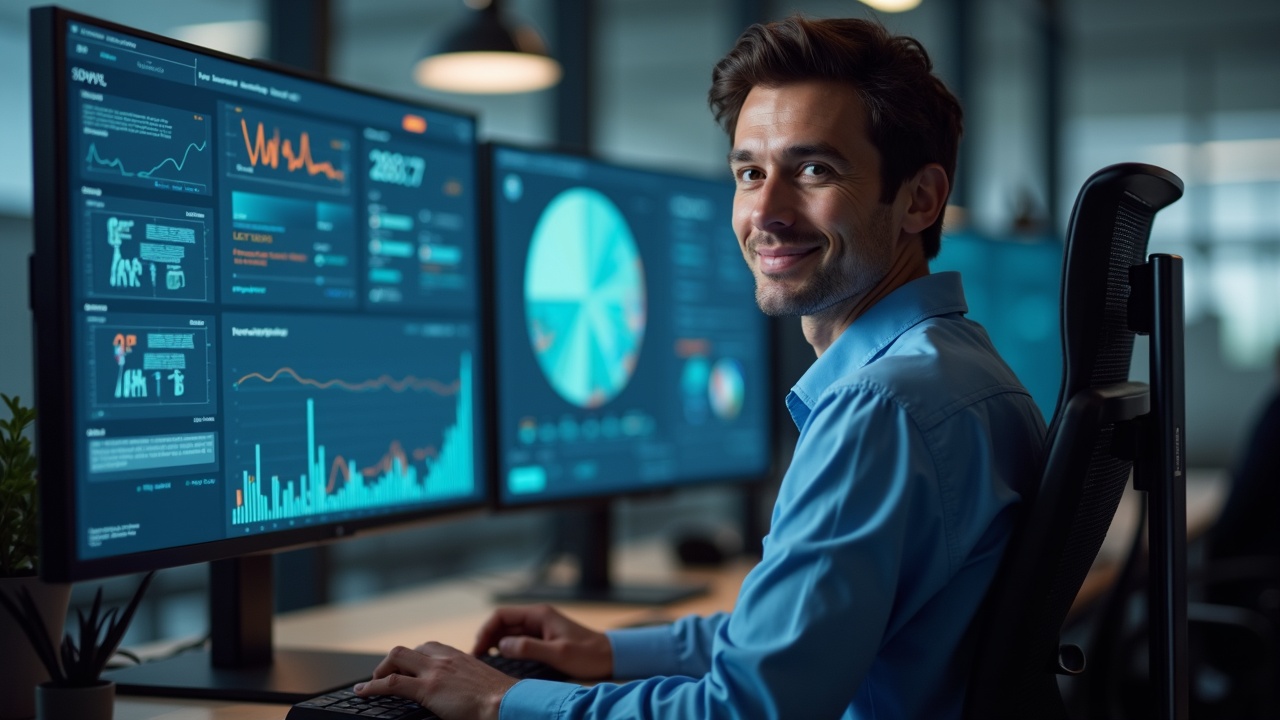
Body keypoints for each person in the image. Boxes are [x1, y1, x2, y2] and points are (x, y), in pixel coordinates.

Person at [354, 15, 1046, 719]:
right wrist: (614, 652)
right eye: (750, 172)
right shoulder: (960, 370)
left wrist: (504, 701)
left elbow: (748, 708)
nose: (766, 212)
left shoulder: (878, 409)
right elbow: (794, 643)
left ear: (920, 199)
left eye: (814, 170)